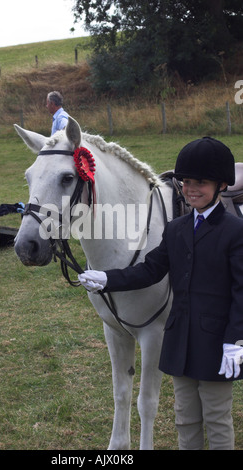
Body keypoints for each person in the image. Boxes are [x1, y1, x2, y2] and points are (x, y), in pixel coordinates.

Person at [78, 137, 243, 450]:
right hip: (180, 341)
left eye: (202, 183)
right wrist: (107, 279)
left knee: (217, 419)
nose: (192, 189)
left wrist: (236, 342)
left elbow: (241, 293)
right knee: (185, 418)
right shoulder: (177, 228)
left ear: (221, 185)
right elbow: (150, 270)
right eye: (187, 182)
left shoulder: (235, 231)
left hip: (216, 343)